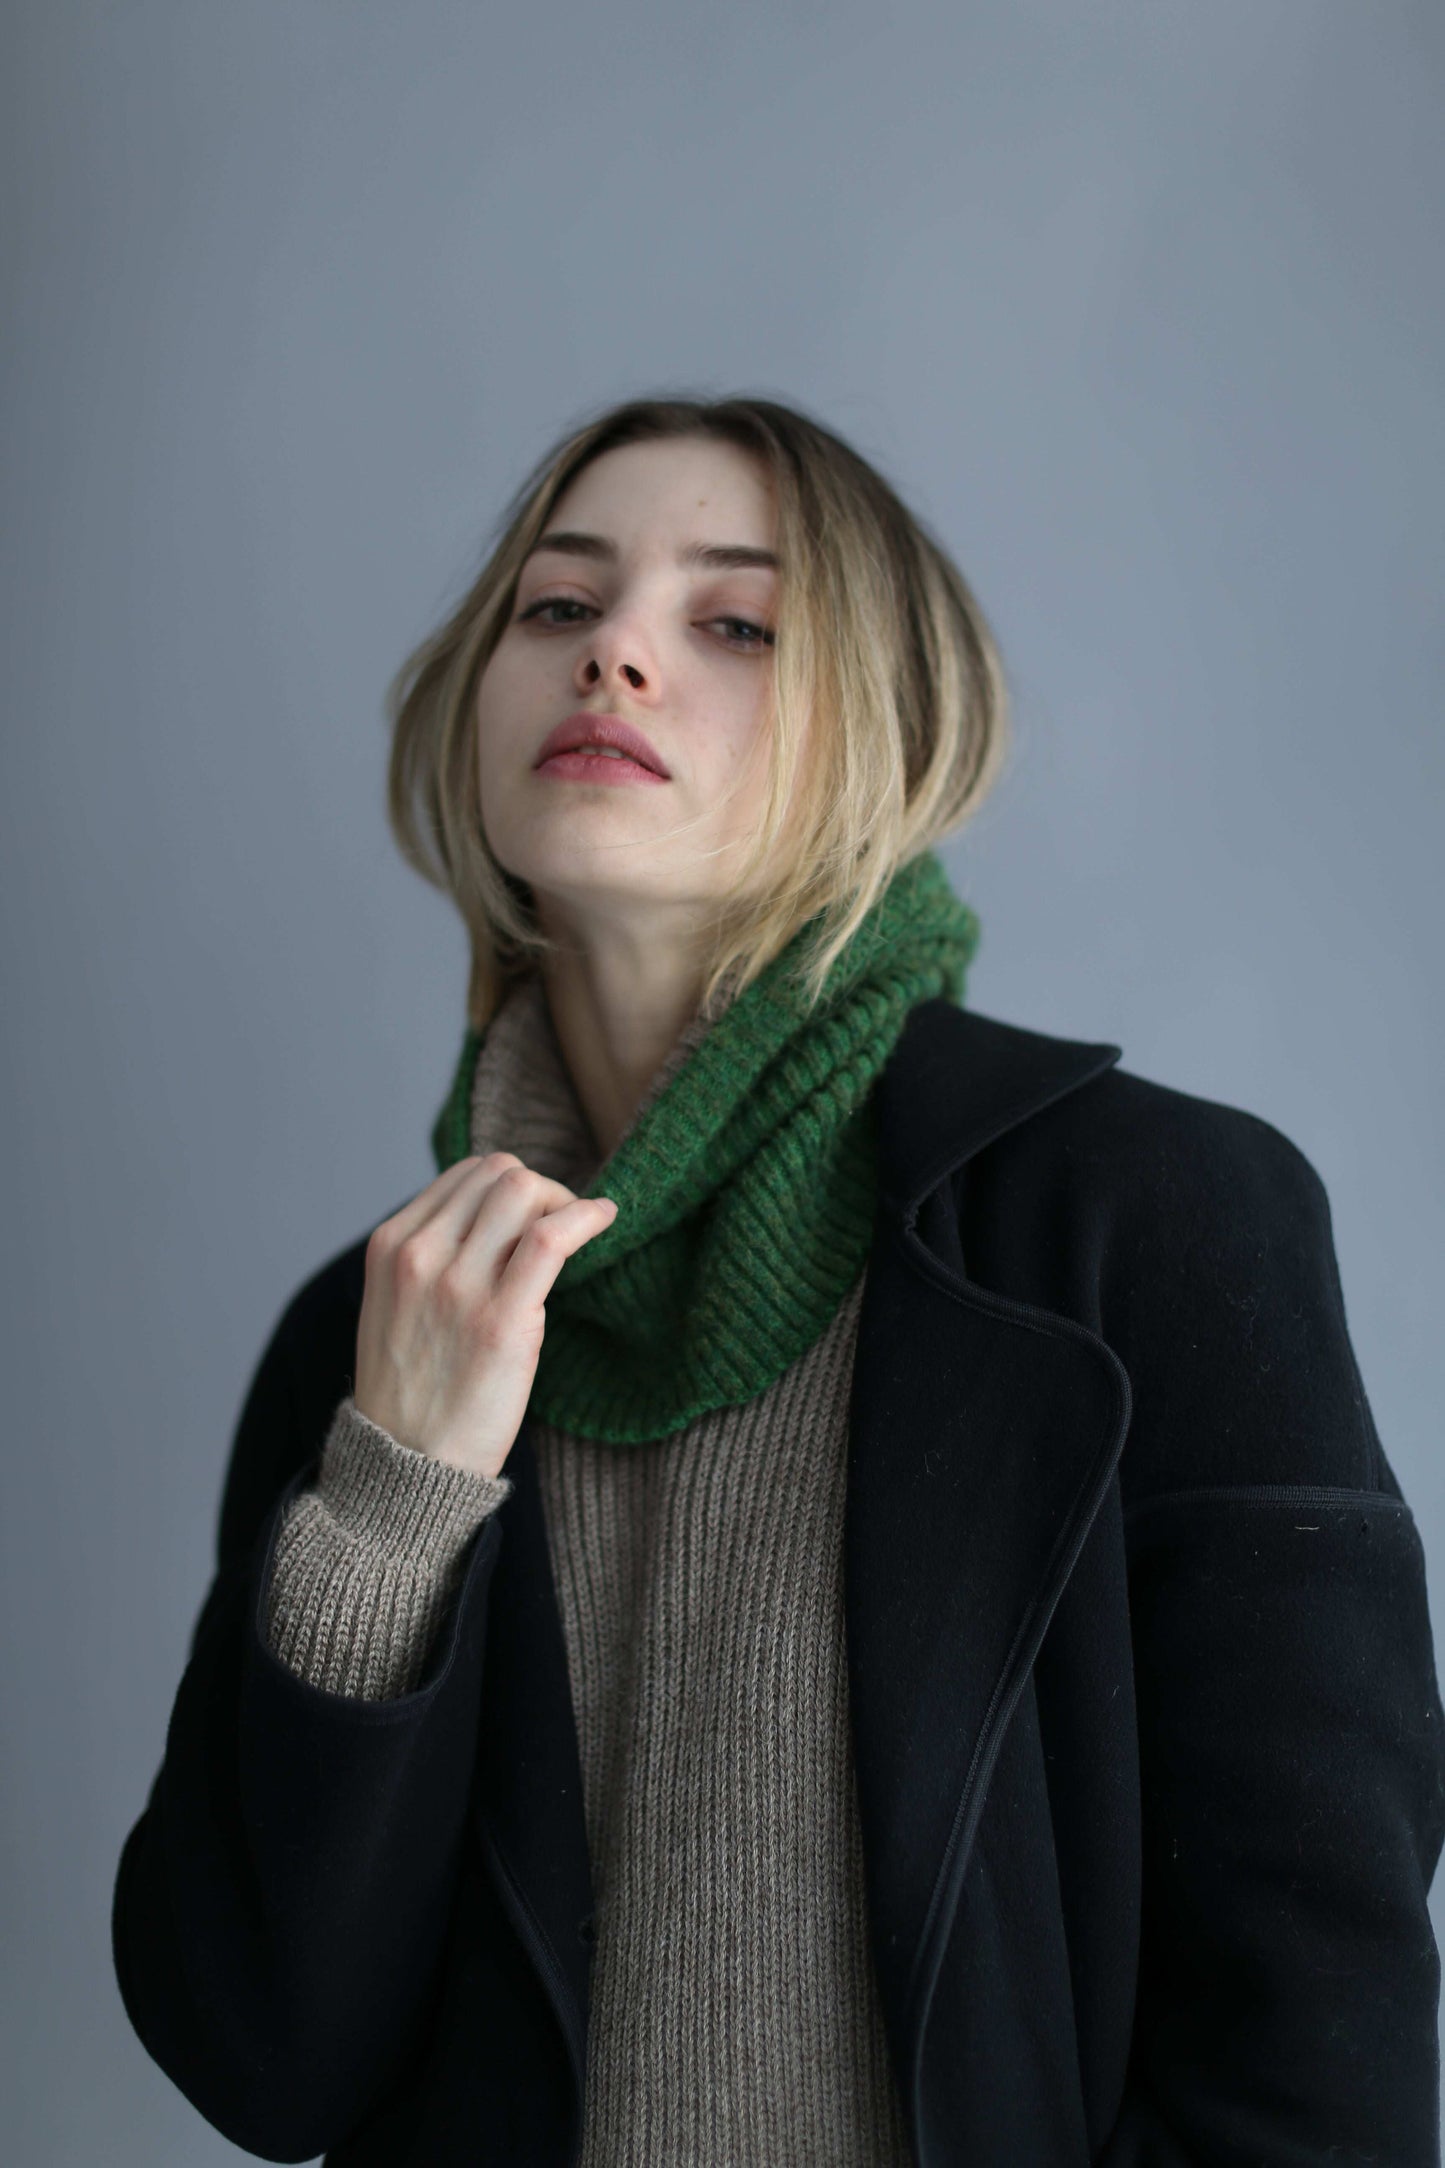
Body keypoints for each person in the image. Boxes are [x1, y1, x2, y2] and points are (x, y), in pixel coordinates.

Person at [111, 394, 1445, 2167]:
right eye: (557, 605)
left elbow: (1315, 2034)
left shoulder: (1146, 1220)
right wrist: (392, 1501)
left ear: (887, 733)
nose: (616, 656)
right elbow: (263, 2058)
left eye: (735, 623)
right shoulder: (372, 1337)